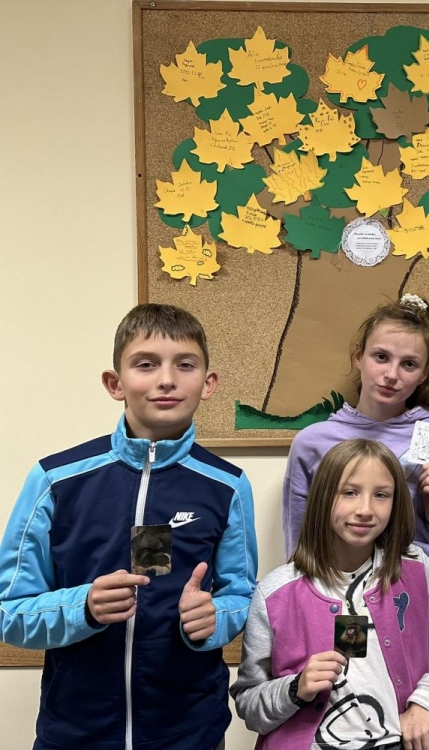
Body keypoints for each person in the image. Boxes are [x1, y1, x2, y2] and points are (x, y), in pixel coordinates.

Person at [0, 303, 258, 750]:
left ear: (208, 383)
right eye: (146, 364)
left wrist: (215, 618)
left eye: (185, 365)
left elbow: (242, 595)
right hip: (77, 732)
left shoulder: (228, 486)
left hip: (190, 731)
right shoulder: (55, 480)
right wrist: (83, 606)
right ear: (114, 383)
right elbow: (10, 611)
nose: (166, 379)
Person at [232, 439, 429, 749]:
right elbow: (249, 704)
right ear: (324, 497)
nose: (365, 510)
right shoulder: (274, 593)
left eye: (381, 495)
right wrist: (294, 689)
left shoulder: (415, 568)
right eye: (349, 492)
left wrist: (428, 699)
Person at [282, 294, 429, 581]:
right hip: (339, 591)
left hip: (423, 592)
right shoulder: (312, 443)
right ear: (359, 356)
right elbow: (299, 544)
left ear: (424, 374)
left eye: (409, 364)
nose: (391, 374)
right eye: (381, 357)